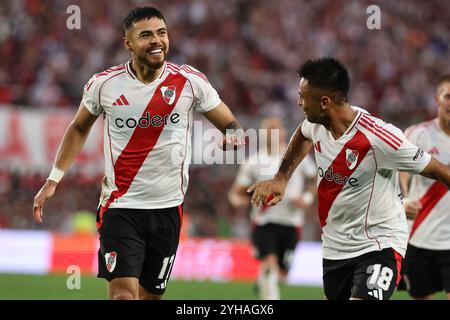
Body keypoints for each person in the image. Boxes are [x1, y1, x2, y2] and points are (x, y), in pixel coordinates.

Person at [32, 6, 244, 300]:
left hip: (169, 208)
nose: (156, 41)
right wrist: (53, 179)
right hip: (121, 208)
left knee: (151, 297)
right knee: (122, 296)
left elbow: (230, 123)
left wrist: (232, 136)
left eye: (162, 33)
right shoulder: (104, 84)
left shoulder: (190, 81)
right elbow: (78, 128)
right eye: (146, 35)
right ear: (128, 44)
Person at [248, 57, 450, 300]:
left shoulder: (380, 138)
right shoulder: (316, 124)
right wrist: (281, 178)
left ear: (324, 102)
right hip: (335, 248)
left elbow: (438, 170)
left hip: (379, 245)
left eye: (303, 96)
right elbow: (301, 136)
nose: (299, 102)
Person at [228, 117, 316, 300]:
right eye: (268, 130)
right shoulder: (253, 161)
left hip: (292, 222)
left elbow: (315, 180)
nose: (272, 133)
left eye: (275, 129)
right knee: (270, 263)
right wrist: (239, 201)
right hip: (264, 222)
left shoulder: (296, 157)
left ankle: (264, 280)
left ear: (284, 132)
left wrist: (306, 198)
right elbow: (235, 193)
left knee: (282, 275)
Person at [399, 74, 450, 300]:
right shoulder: (417, 134)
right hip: (421, 237)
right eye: (448, 96)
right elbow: (399, 172)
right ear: (437, 99)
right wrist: (404, 198)